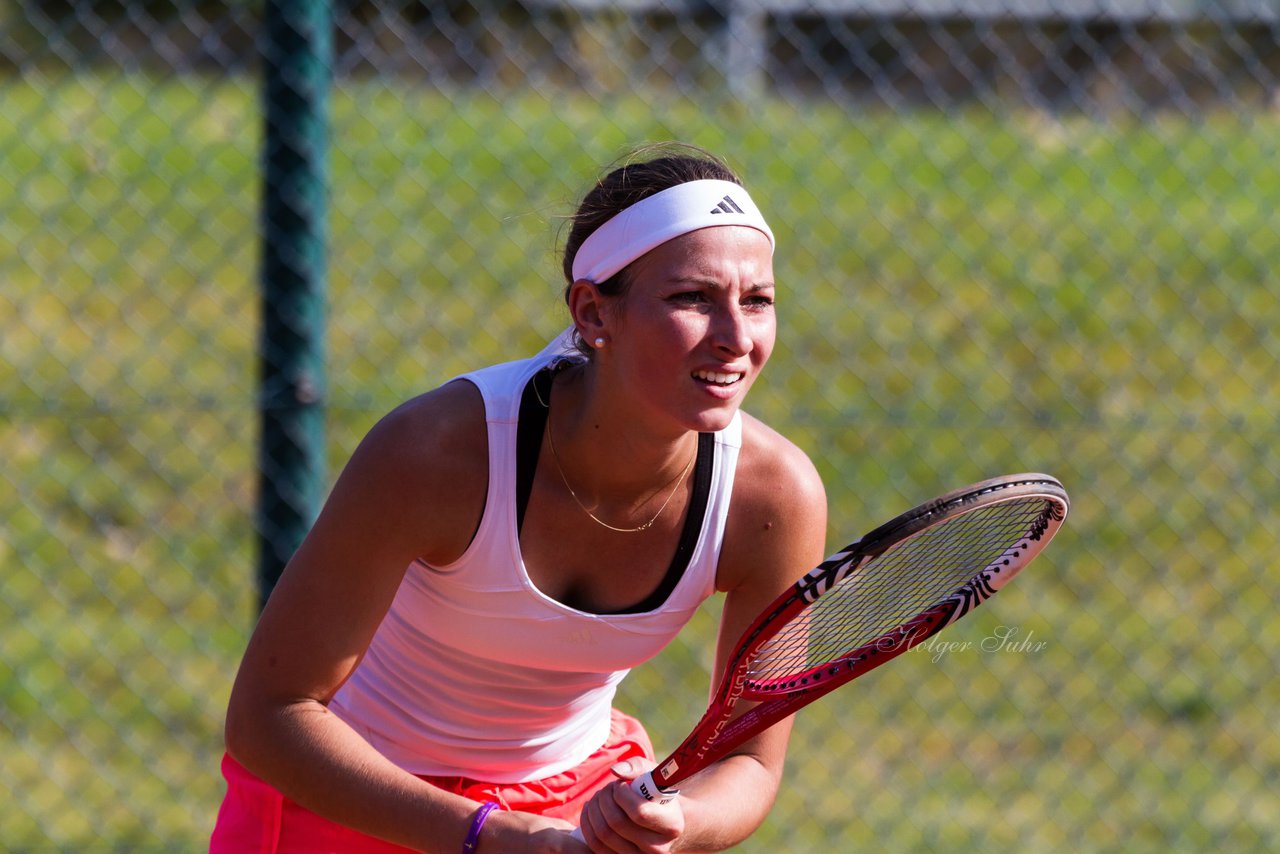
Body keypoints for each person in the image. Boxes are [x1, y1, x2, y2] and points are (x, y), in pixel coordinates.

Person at [212, 142, 828, 853]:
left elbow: (748, 760)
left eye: (758, 301)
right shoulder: (437, 454)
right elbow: (270, 715)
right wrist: (486, 835)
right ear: (593, 314)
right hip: (359, 796)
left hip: (572, 802)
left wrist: (681, 822)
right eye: (692, 298)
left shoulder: (772, 497)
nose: (735, 338)